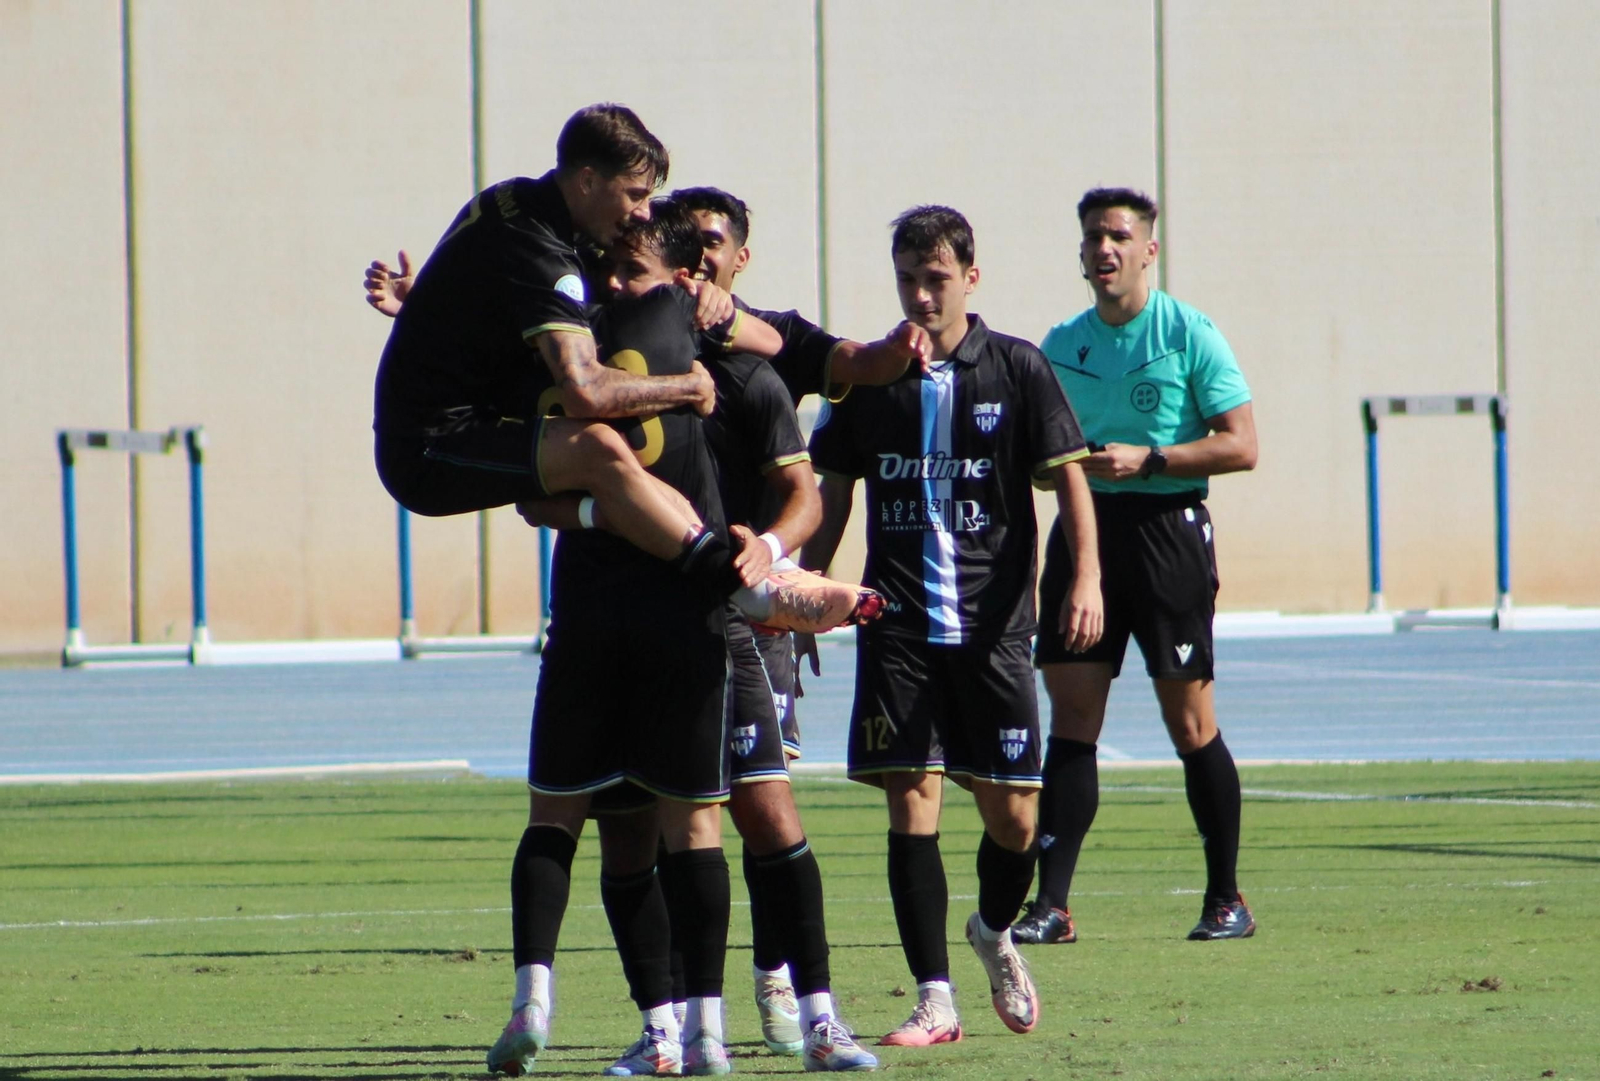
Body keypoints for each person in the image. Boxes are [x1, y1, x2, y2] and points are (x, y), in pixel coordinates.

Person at [515, 199, 879, 1074]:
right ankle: (666, 1027)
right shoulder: (598, 362)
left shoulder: (748, 378)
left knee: (765, 813)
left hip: (730, 623)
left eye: (715, 249)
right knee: (630, 832)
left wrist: (775, 546)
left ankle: (816, 1011)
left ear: (719, 268)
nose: (615, 281)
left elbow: (805, 494)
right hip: (624, 622)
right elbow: (533, 478)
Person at [370, 102, 869, 635]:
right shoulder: (544, 253)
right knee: (601, 451)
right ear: (587, 180)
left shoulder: (520, 200)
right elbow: (585, 390)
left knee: (648, 490)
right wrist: (687, 387)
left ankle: (770, 573)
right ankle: (740, 587)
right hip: (430, 448)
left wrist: (427, 307)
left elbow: (480, 298)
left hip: (472, 420)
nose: (643, 212)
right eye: (635, 194)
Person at [799, 206, 1104, 1048]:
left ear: (972, 276)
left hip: (994, 628)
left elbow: (1069, 479)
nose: (922, 295)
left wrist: (1086, 575)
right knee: (913, 799)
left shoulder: (1017, 368)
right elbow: (831, 494)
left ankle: (994, 928)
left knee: (1014, 818)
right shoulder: (869, 376)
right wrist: (810, 592)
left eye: (937, 278)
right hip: (895, 623)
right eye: (908, 279)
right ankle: (935, 999)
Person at [1012, 187, 1259, 947]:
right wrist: (1059, 469)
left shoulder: (1190, 332)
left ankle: (1226, 898)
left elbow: (1242, 444)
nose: (1104, 249)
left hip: (1167, 532)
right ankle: (1051, 906)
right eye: (1093, 237)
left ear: (1149, 248)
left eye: (1119, 236)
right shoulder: (1059, 345)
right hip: (1086, 536)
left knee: (1190, 721)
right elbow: (1037, 464)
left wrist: (1150, 456)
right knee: (1074, 720)